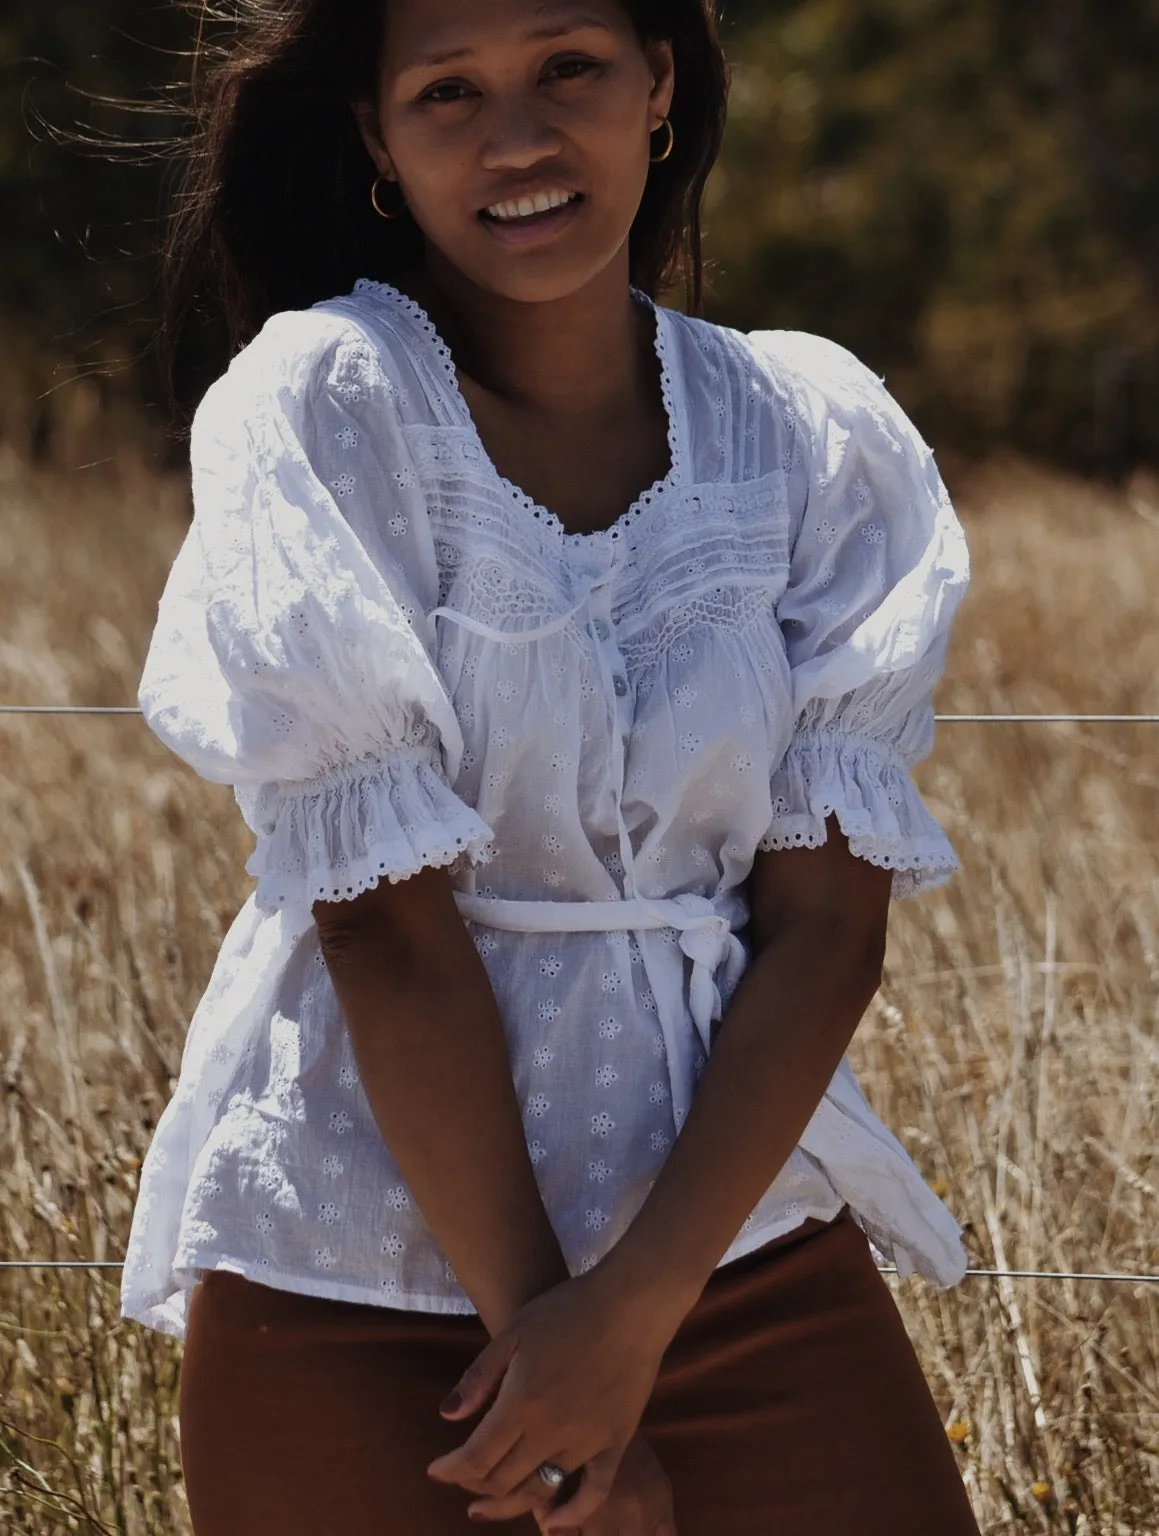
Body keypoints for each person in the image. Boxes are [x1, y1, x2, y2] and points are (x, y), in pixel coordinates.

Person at [121, 0, 983, 1531]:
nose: (517, 137)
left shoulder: (807, 428)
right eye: (447, 92)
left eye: (568, 66)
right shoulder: (323, 405)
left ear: (658, 84)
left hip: (725, 1248)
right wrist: (557, 1375)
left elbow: (825, 924)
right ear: (379, 142)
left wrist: (627, 1319)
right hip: (355, 1276)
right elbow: (381, 924)